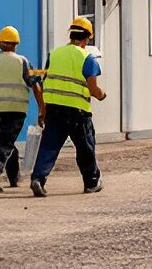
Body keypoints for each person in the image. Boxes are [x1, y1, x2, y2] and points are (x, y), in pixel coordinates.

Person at [30, 17, 106, 197]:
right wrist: (102, 95)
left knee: (49, 147)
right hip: (78, 113)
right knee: (85, 148)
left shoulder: (54, 55)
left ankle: (38, 179)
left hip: (54, 109)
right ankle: (92, 182)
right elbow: (93, 90)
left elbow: (44, 80)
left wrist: (43, 110)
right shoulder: (88, 59)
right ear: (87, 38)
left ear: (71, 35)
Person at [0, 25, 45, 193]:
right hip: (16, 109)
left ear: (0, 43)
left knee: (6, 142)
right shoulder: (23, 62)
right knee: (7, 144)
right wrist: (42, 108)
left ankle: (13, 177)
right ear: (16, 44)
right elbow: (36, 86)